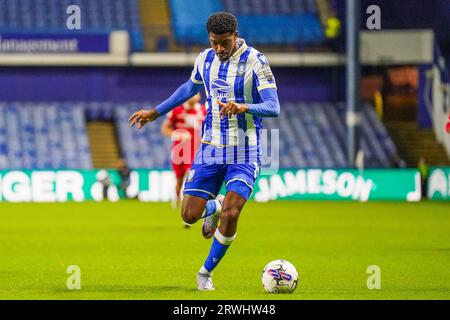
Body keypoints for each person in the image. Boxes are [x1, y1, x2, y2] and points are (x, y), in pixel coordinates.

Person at [129, 12, 280, 291]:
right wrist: (155, 112)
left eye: (224, 43)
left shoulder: (256, 62)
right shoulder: (204, 59)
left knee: (232, 214)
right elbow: (189, 88)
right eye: (214, 43)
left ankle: (205, 273)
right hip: (210, 148)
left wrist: (245, 106)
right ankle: (215, 205)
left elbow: (273, 106)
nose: (219, 49)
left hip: (245, 151)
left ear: (236, 36)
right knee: (188, 214)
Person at [160, 93, 206, 211]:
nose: (194, 96)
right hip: (179, 150)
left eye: (196, 94)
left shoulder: (203, 110)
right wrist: (176, 134)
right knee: (179, 178)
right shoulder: (177, 110)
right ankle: (176, 196)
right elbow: (165, 128)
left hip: (196, 150)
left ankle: (189, 203)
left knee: (190, 173)